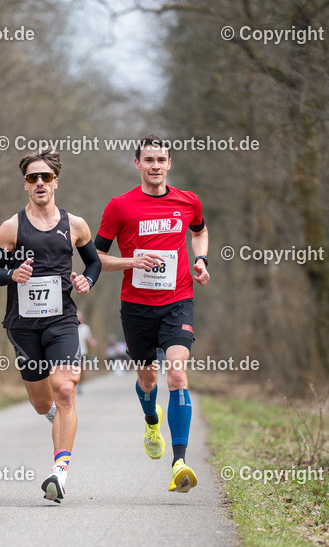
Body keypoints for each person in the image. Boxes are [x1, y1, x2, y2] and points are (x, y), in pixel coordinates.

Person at [94, 134, 211, 494]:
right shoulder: (120, 207)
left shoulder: (188, 201)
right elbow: (94, 257)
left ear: (169, 163)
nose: (155, 166)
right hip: (137, 307)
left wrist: (201, 260)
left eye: (161, 160)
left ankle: (179, 462)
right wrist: (132, 260)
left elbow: (200, 231)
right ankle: (150, 419)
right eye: (149, 160)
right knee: (148, 381)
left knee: (176, 371)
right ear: (137, 164)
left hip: (177, 301)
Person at [0, 149, 101, 503]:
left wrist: (87, 281)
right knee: (41, 402)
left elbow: (93, 263)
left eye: (46, 177)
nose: (40, 183)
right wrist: (11, 274)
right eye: (33, 178)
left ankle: (59, 471)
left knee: (64, 388)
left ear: (56, 183)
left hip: (63, 321)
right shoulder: (12, 227)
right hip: (23, 326)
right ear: (25, 185)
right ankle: (55, 418)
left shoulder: (75, 225)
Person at [75, 311, 96, 393]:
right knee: (74, 370)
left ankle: (80, 385)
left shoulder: (86, 328)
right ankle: (75, 384)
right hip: (72, 352)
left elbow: (88, 339)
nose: (79, 319)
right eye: (77, 317)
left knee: (82, 370)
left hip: (83, 352)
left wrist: (92, 342)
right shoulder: (71, 328)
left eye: (80, 317)